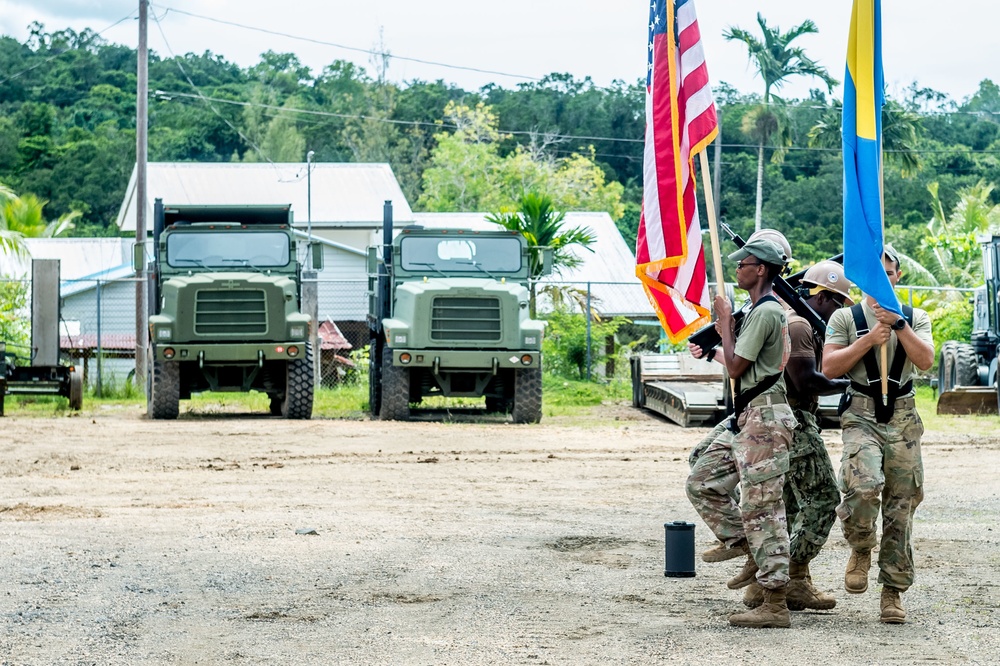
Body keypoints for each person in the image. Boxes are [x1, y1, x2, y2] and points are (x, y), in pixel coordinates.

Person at [686, 234, 797, 628]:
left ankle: (775, 601)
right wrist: (716, 343)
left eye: (744, 264)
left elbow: (737, 368)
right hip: (748, 415)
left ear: (762, 268)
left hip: (766, 419)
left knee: (762, 507)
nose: (737, 269)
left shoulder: (767, 311)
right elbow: (742, 364)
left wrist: (722, 323)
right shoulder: (756, 310)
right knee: (702, 480)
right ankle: (744, 546)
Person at [822, 246, 934, 624]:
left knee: (902, 504)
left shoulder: (916, 317)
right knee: (862, 485)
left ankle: (892, 591)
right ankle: (861, 545)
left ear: (897, 277)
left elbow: (925, 360)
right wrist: (868, 340)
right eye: (873, 273)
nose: (881, 279)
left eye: (888, 272)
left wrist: (899, 326)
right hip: (862, 412)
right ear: (862, 278)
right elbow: (830, 366)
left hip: (902, 415)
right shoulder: (846, 317)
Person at [740, 260, 851, 612]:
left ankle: (778, 583)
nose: (836, 309)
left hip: (779, 420)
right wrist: (850, 384)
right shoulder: (800, 324)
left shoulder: (793, 318)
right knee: (823, 499)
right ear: (815, 296)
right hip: (795, 419)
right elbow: (806, 380)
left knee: (785, 504)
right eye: (833, 300)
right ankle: (789, 572)